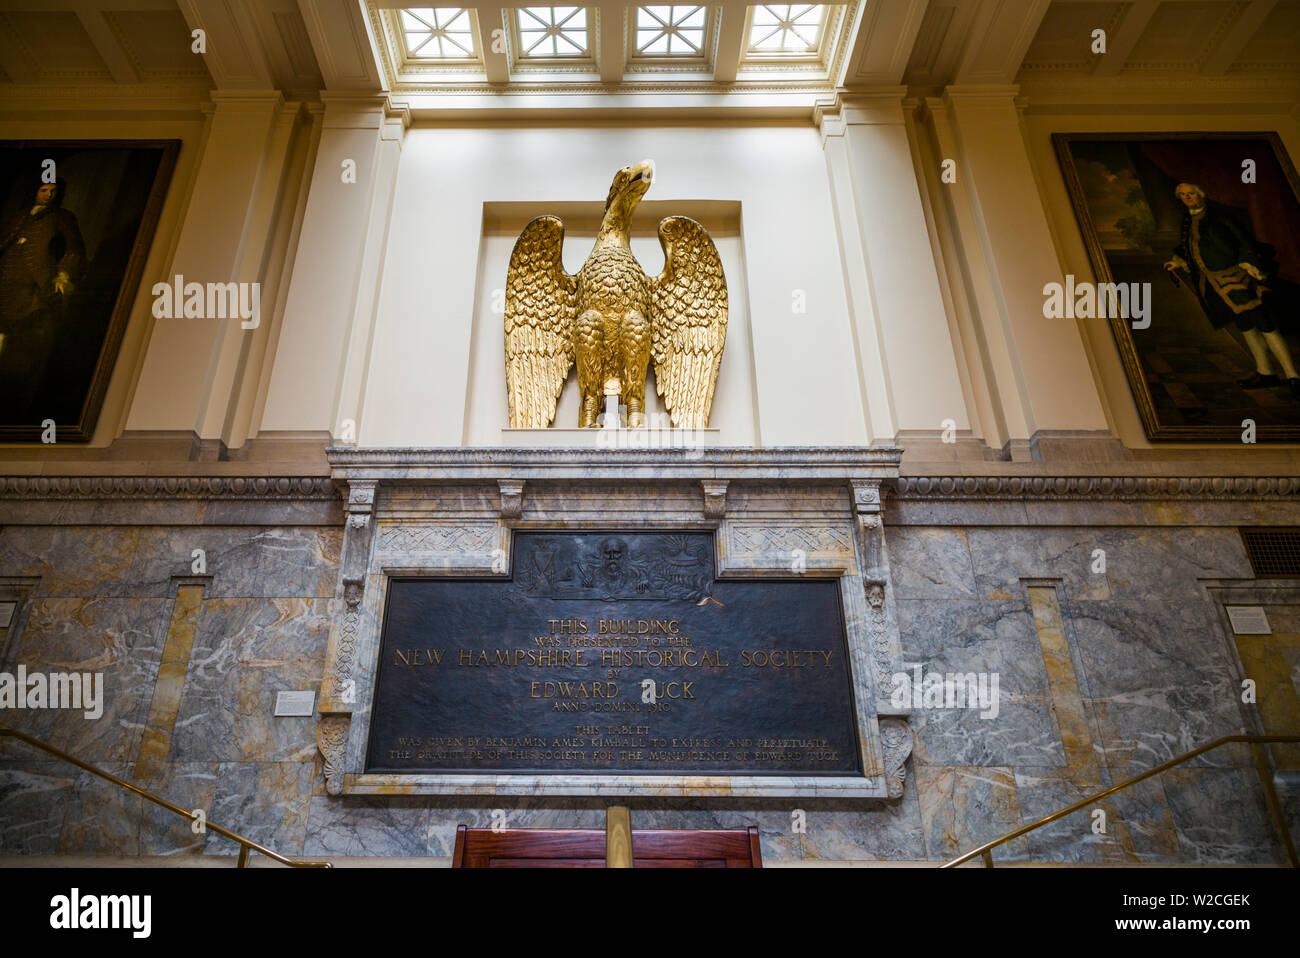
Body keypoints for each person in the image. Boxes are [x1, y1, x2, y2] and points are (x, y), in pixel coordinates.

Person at [1163, 182, 1298, 397]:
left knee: (1266, 325)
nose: (1188, 198)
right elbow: (1189, 245)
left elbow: (1244, 241)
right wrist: (1178, 262)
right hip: (1215, 284)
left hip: (1239, 278)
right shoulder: (1188, 220)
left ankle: (1294, 377)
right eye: (1183, 195)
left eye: (1191, 194)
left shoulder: (1219, 215)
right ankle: (1266, 373)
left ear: (1201, 194)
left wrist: (1249, 263)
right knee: (1246, 326)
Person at [0, 177, 86, 419]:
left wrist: (63, 275)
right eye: (44, 189)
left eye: (53, 191)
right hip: (6, 287)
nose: (49, 195)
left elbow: (74, 250)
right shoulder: (17, 218)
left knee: (23, 353)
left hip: (36, 290)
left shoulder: (63, 218)